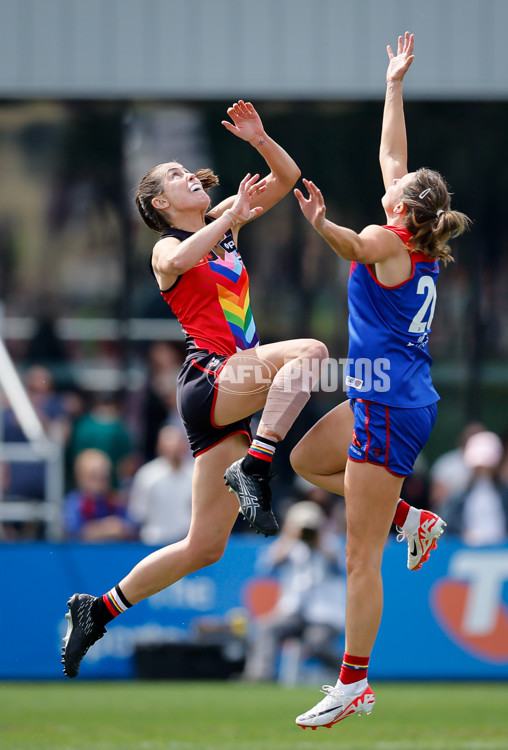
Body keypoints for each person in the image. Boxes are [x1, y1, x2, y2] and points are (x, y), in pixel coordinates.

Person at [61, 100, 328, 679]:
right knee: (311, 354)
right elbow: (182, 255)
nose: (189, 176)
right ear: (161, 204)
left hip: (226, 394)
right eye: (176, 176)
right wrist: (230, 217)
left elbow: (286, 177)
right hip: (210, 378)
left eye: (187, 169)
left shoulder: (225, 227)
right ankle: (258, 465)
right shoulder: (167, 247)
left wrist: (259, 139)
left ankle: (96, 609)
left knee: (205, 546)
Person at [290, 33, 471, 728]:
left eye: (395, 191)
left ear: (403, 211)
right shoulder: (417, 238)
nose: (388, 181)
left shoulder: (388, 238)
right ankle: (412, 518)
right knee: (307, 460)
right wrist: (393, 85)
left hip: (388, 404)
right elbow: (392, 155)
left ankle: (353, 683)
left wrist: (322, 223)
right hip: (384, 391)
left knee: (359, 556)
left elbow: (359, 244)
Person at [243, 501, 345, 683]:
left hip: (324, 615)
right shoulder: (288, 545)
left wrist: (319, 542)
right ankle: (259, 677)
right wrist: (288, 538)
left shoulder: (330, 543)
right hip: (293, 612)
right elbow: (267, 566)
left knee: (317, 642)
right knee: (267, 629)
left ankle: (350, 677)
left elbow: (340, 568)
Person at [440, 430, 508, 545]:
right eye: (479, 467)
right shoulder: (458, 498)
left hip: (505, 555)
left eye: (487, 467)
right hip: (467, 556)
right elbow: (445, 528)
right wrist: (462, 533)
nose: (483, 471)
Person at [127, 424, 194, 546]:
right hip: (153, 542)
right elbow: (138, 512)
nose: (174, 449)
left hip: (187, 543)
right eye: (168, 444)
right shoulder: (147, 475)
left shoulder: (196, 473)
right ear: (159, 446)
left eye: (177, 443)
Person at [63, 449, 135, 542]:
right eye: (94, 475)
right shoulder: (72, 503)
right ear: (80, 476)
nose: (100, 478)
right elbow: (74, 531)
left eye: (104, 475)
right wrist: (106, 528)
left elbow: (131, 528)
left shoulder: (118, 502)